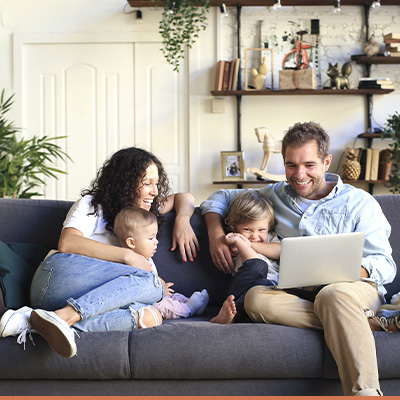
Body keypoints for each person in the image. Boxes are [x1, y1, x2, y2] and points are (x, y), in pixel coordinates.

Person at [200, 121, 396, 396]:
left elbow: (385, 265)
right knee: (256, 298)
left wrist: (344, 272)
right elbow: (220, 197)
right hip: (295, 294)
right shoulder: (274, 194)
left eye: (309, 165)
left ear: (327, 161)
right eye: (291, 165)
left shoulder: (360, 203)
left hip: (352, 290)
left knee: (333, 295)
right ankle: (363, 321)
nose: (299, 174)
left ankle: (365, 393)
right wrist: (214, 232)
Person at [0, 147, 200, 358]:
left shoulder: (144, 212)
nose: (155, 191)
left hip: (80, 301)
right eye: (147, 183)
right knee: (153, 283)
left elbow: (184, 197)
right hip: (56, 279)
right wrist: (128, 256)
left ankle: (34, 321)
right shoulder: (92, 205)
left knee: (150, 315)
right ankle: (66, 316)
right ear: (126, 182)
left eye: (156, 183)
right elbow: (67, 242)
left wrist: (183, 220)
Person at [113, 206, 209, 320]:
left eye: (155, 237)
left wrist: (161, 287)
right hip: (146, 302)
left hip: (156, 293)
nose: (156, 242)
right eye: (151, 238)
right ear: (131, 242)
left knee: (173, 296)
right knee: (164, 306)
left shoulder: (146, 258)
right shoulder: (129, 263)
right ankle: (188, 309)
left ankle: (193, 304)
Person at [210, 191, 280, 324]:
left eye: (261, 230)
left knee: (267, 286)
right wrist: (240, 243)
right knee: (258, 267)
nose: (255, 235)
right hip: (246, 290)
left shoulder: (270, 238)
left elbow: (280, 251)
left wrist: (250, 244)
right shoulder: (234, 241)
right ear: (234, 227)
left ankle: (239, 317)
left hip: (272, 291)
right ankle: (228, 316)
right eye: (247, 229)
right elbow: (254, 262)